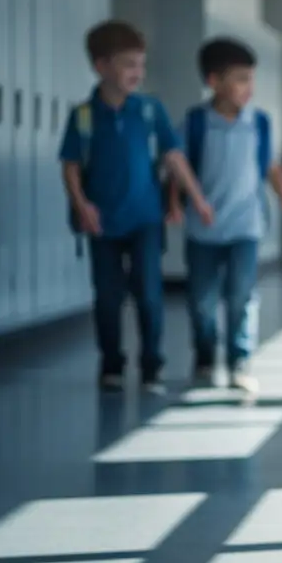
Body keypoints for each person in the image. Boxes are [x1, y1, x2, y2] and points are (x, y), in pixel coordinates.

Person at [60, 20, 213, 393]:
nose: (137, 73)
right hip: (102, 222)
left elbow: (174, 158)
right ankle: (111, 364)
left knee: (149, 295)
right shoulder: (83, 115)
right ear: (101, 66)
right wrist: (81, 206)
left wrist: (197, 200)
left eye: (140, 65)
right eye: (128, 65)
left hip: (145, 218)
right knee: (108, 297)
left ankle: (151, 368)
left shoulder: (149, 110)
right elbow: (71, 167)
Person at [173, 38, 282, 396]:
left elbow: (273, 171)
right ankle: (204, 354)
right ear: (214, 81)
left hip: (246, 227)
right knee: (201, 299)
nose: (250, 88)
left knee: (241, 297)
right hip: (204, 228)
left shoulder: (258, 123)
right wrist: (174, 201)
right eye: (241, 79)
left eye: (251, 79)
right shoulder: (197, 122)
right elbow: (177, 163)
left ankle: (239, 360)